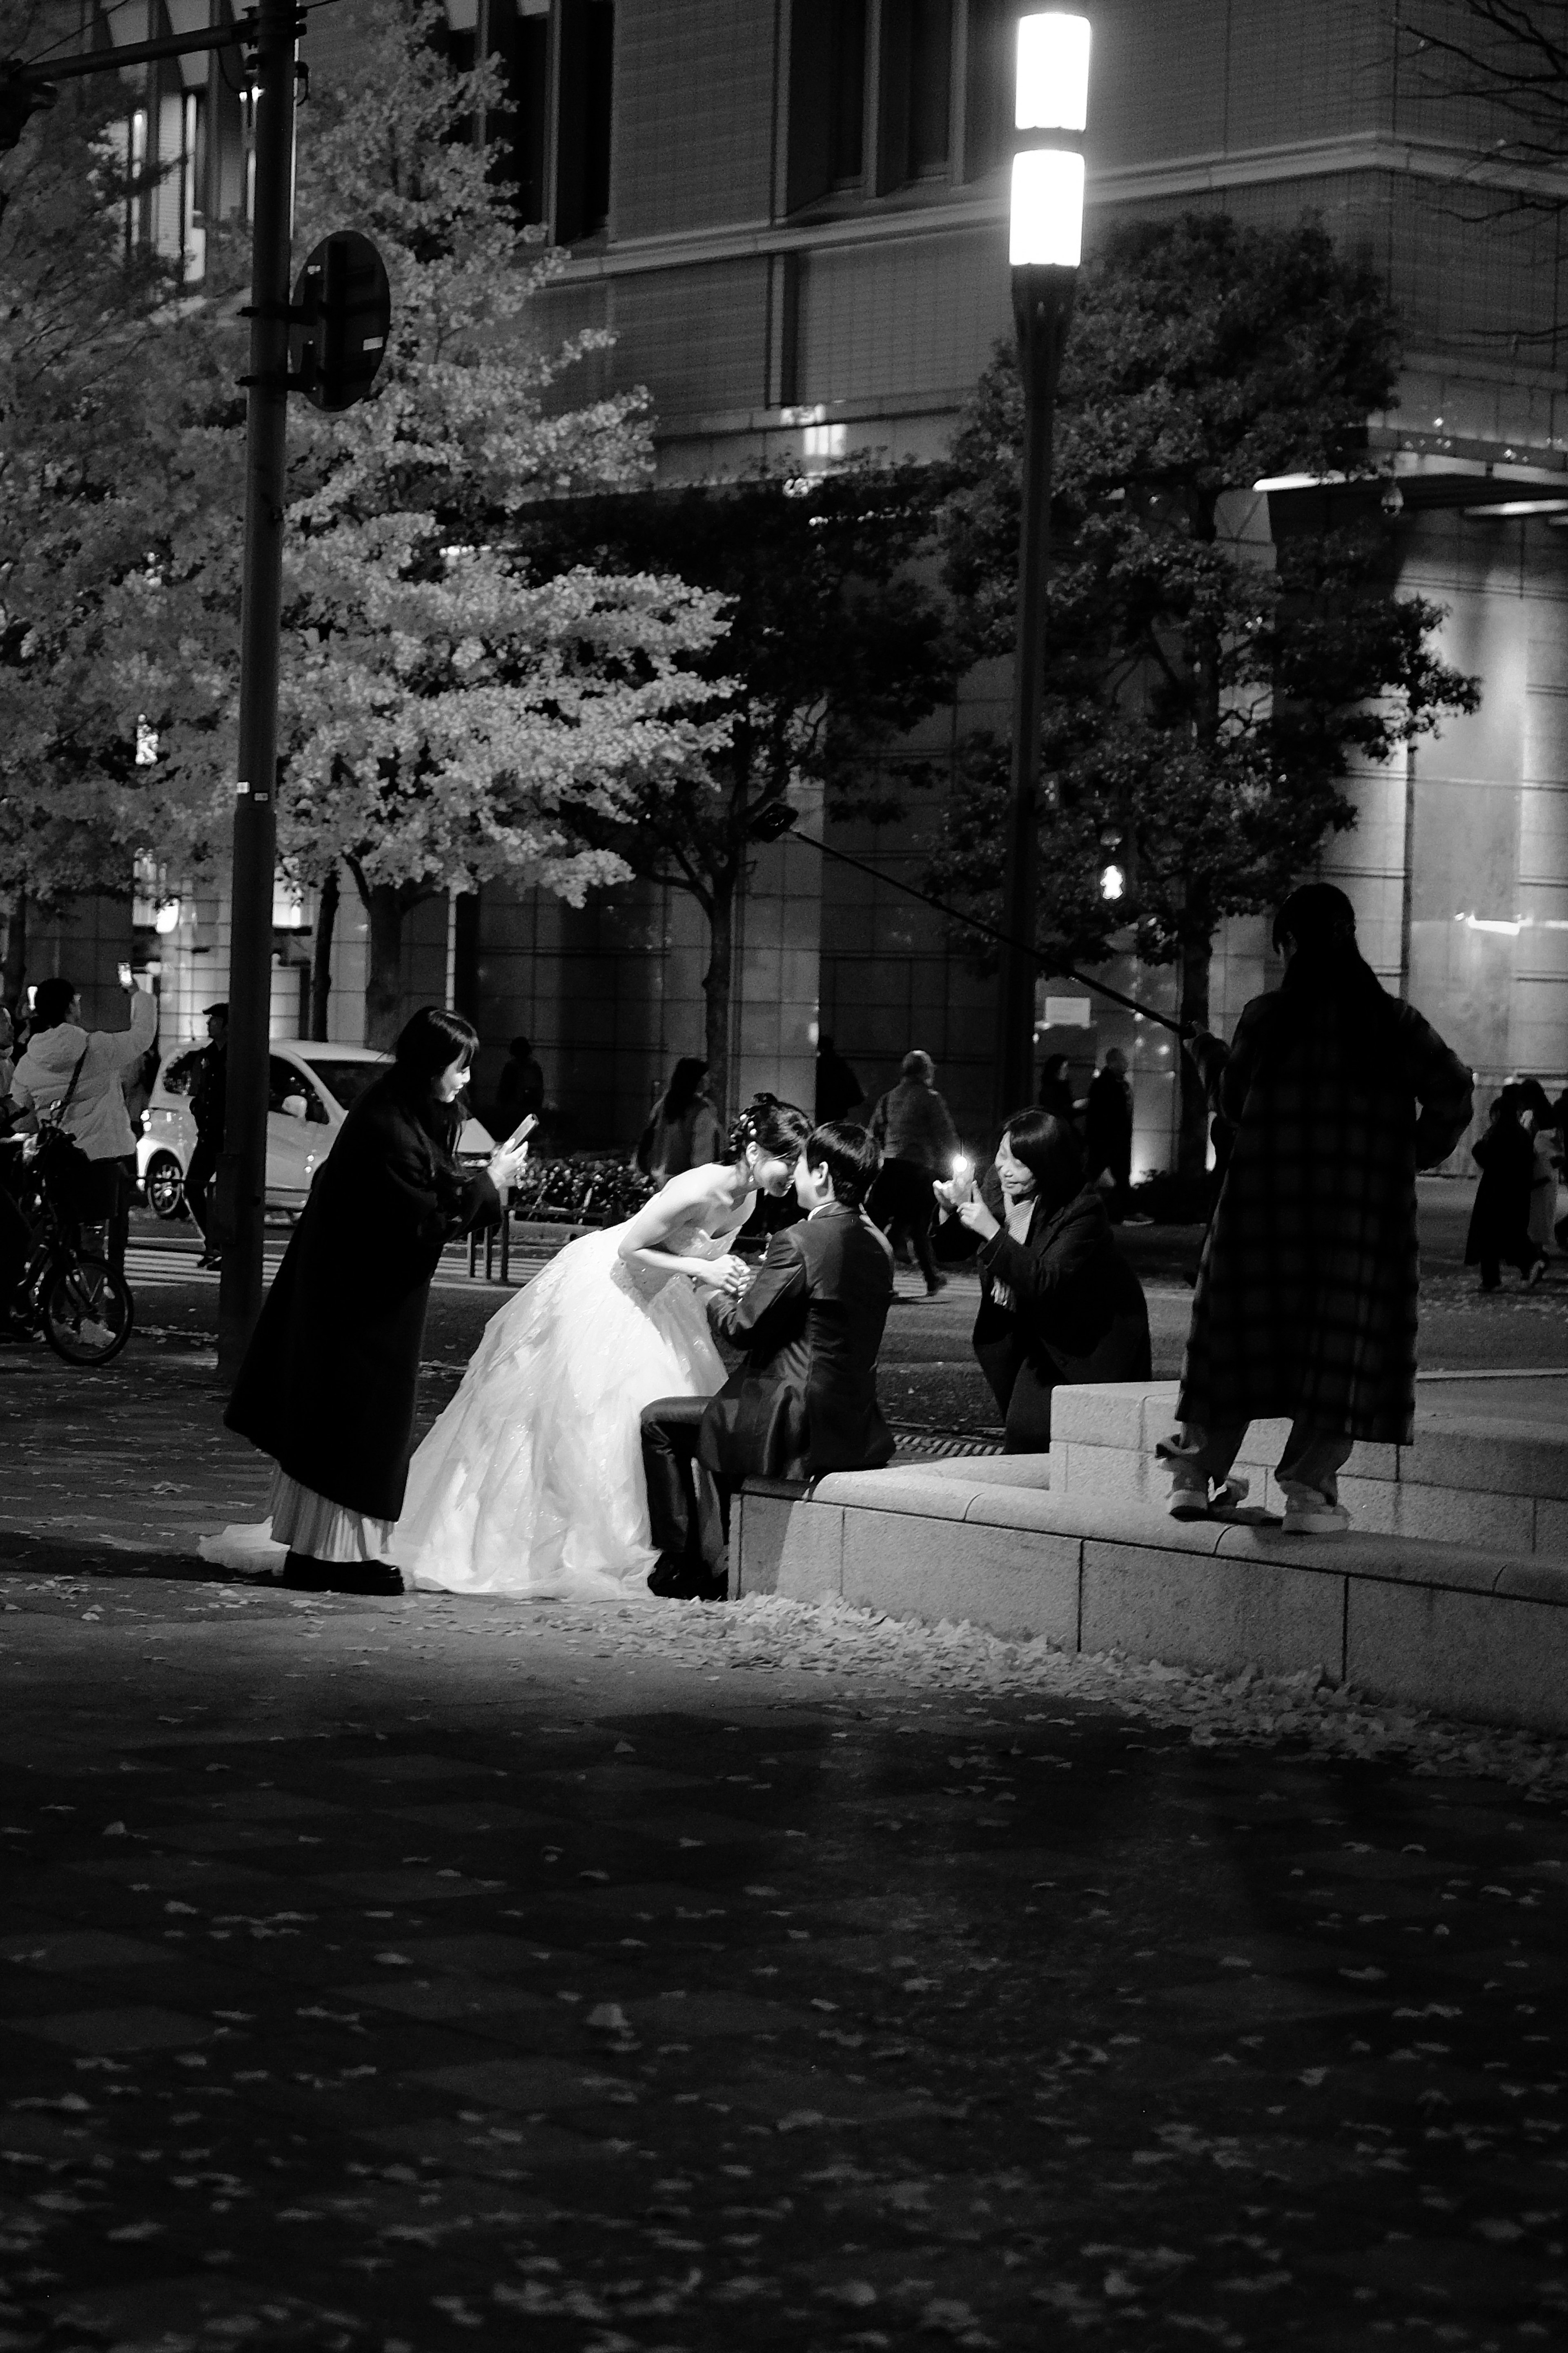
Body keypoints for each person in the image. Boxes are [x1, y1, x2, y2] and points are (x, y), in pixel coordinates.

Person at [388, 1093, 813, 1599]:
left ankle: (670, 1546)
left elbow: (693, 1261)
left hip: (661, 1297)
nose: (792, 1171)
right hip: (610, 1287)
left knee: (657, 1413)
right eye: (787, 1159)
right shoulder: (694, 1188)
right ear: (755, 1153)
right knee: (583, 1415)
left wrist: (725, 1279)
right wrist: (703, 1268)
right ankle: (577, 1544)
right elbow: (631, 1247)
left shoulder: (748, 1199)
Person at [1162, 883, 1472, 1536]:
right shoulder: (1393, 1022)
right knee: (1341, 1343)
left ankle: (1193, 1474)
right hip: (1357, 1220)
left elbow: (1235, 1099)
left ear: (1293, 943)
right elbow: (1453, 1091)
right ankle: (1308, 1488)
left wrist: (1205, 1052)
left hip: (1264, 1213)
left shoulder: (1267, 1018)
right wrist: (1404, 1155)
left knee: (1235, 1335)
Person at [224, 1009, 526, 1595]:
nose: (465, 1080)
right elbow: (421, 1222)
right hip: (358, 1306)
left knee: (349, 1425)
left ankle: (331, 1552)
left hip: (358, 1298)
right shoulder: (389, 1123)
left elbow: (424, 1200)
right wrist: (491, 1183)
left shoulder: (399, 1110)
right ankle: (326, 1557)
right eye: (459, 1067)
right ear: (430, 1064)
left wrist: (486, 1178)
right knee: (353, 1426)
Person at [639, 1119, 896, 1600]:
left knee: (657, 1421)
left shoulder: (799, 1239)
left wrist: (709, 1290)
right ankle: (718, 1552)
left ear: (820, 1172)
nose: (794, 1174)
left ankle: (683, 1560)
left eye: (800, 1164)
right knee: (716, 1410)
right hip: (855, 1418)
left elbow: (744, 1329)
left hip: (792, 1415)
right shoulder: (879, 1243)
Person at [936, 1108, 1152, 1452]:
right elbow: (952, 1248)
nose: (1005, 1168)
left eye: (1020, 1163)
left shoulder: (1083, 1209)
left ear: (1048, 1165)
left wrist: (991, 1230)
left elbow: (1045, 1280)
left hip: (1080, 1338)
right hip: (1018, 1328)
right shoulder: (997, 1183)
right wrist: (951, 1210)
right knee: (1030, 1433)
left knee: (1031, 1434)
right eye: (1002, 1155)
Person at [7, 972, 157, 1255]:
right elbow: (142, 1036)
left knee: (57, 1234)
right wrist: (138, 995)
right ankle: (92, 1295)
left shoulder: (29, 1062)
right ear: (70, 1008)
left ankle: (51, 1293)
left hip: (57, 1160)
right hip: (100, 1160)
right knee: (94, 1238)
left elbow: (24, 1119)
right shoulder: (98, 1048)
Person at [868, 1048, 960, 1295]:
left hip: (889, 1169)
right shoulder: (930, 1098)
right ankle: (923, 1276)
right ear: (925, 1071)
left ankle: (921, 1277)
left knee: (881, 1226)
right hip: (917, 1170)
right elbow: (945, 1134)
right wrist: (956, 1161)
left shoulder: (888, 1098)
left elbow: (874, 1131)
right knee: (918, 1224)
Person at [1466, 1085, 1544, 1290]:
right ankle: (1526, 1264)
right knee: (1508, 1234)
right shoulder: (1520, 1134)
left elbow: (1485, 1155)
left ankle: (1495, 1278)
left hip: (1496, 1190)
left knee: (1491, 1236)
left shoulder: (1499, 1132)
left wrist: (1481, 1148)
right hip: (1515, 1190)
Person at [184, 1002, 228, 1269]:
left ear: (228, 1025)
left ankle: (221, 1248)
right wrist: (197, 1107)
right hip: (208, 1133)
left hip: (228, 1135)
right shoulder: (206, 1055)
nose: (209, 1023)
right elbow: (197, 1091)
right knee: (192, 1186)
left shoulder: (237, 1055)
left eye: (214, 1019)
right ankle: (214, 1244)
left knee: (227, 1194)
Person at [637, 1056, 724, 1182]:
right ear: (697, 1081)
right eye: (705, 1077)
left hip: (660, 1177)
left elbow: (650, 1138)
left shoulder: (663, 1105)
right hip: (686, 1181)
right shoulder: (702, 1110)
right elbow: (703, 1155)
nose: (708, 1081)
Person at [1084, 1046, 1134, 1222]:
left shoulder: (1112, 1083)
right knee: (1107, 1174)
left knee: (1114, 1175)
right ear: (1113, 1064)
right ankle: (1124, 1212)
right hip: (1108, 1139)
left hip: (1111, 1139)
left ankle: (1123, 1212)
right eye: (1122, 1061)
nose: (1126, 1064)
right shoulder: (1107, 1085)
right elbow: (1104, 1115)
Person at [1520, 1079, 1561, 1262]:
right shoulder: (1551, 1116)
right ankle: (1538, 1251)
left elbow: (1528, 1141)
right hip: (1550, 1172)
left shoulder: (1532, 1117)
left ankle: (1536, 1256)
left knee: (1535, 1214)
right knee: (1544, 1213)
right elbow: (1559, 1147)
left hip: (1537, 1170)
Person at [492, 1035, 545, 1136]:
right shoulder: (533, 1067)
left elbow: (504, 1091)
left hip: (516, 1108)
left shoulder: (514, 1067)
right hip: (525, 1107)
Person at [815, 1034, 864, 1124]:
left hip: (821, 1112)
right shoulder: (841, 1065)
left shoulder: (819, 1065)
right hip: (838, 1113)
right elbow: (856, 1095)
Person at [1037, 1053, 1078, 1123]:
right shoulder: (1049, 1091)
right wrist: (1073, 1107)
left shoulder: (1064, 1088)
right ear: (1057, 1070)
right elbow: (1054, 1112)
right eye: (1065, 1069)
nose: (1067, 1072)